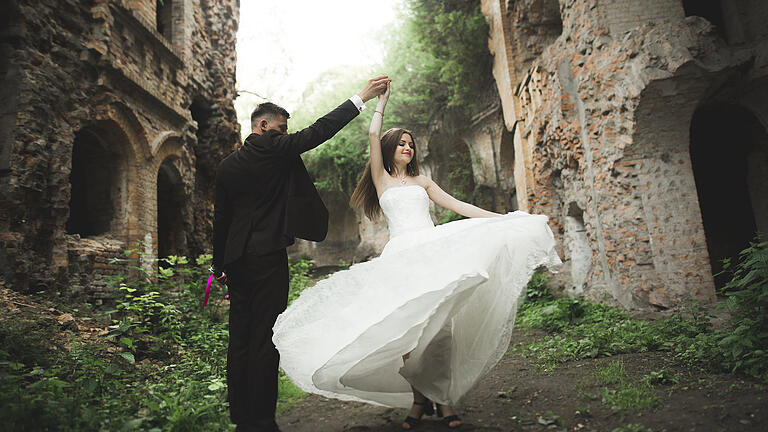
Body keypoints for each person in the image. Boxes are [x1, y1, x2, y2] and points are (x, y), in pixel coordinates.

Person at [272, 84, 561, 429]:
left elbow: (458, 205)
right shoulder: (382, 180)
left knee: (440, 331)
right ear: (391, 150)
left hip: (433, 252)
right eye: (402, 144)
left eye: (411, 144)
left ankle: (444, 401)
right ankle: (420, 400)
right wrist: (382, 101)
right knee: (409, 332)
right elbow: (373, 133)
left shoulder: (423, 181)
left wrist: (503, 220)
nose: (407, 148)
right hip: (403, 258)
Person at [212, 76, 390, 432]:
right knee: (265, 337)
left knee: (240, 339)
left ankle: (241, 418)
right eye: (279, 129)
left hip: (237, 261)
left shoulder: (227, 166)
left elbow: (222, 221)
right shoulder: (275, 149)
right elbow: (321, 130)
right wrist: (362, 98)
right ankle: (262, 421)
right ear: (262, 126)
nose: (283, 134)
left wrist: (220, 267)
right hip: (267, 258)